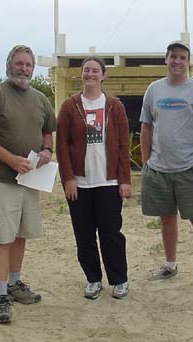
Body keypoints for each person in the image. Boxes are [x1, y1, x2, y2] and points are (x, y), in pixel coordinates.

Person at [0, 45, 56, 323]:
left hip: (30, 180)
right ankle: (0, 297)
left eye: (28, 65)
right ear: (9, 65)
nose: (24, 69)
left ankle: (15, 284)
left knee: (21, 234)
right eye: (19, 64)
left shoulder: (41, 99)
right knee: (2, 237)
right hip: (1, 180)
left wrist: (46, 151)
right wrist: (10, 160)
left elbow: (47, 133)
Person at [140, 40, 193, 293]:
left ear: (188, 62)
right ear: (166, 59)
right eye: (173, 56)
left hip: (190, 168)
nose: (177, 61)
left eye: (182, 58)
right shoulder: (154, 90)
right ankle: (170, 265)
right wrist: (146, 162)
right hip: (160, 169)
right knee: (166, 219)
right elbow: (146, 126)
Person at [56, 56, 131, 300]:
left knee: (111, 234)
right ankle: (93, 279)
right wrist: (67, 177)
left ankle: (119, 280)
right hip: (80, 184)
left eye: (95, 70)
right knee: (84, 236)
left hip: (108, 183)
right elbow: (62, 145)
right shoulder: (70, 106)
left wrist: (124, 180)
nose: (90, 74)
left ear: (103, 75)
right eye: (86, 70)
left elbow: (122, 144)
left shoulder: (114, 105)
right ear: (81, 74)